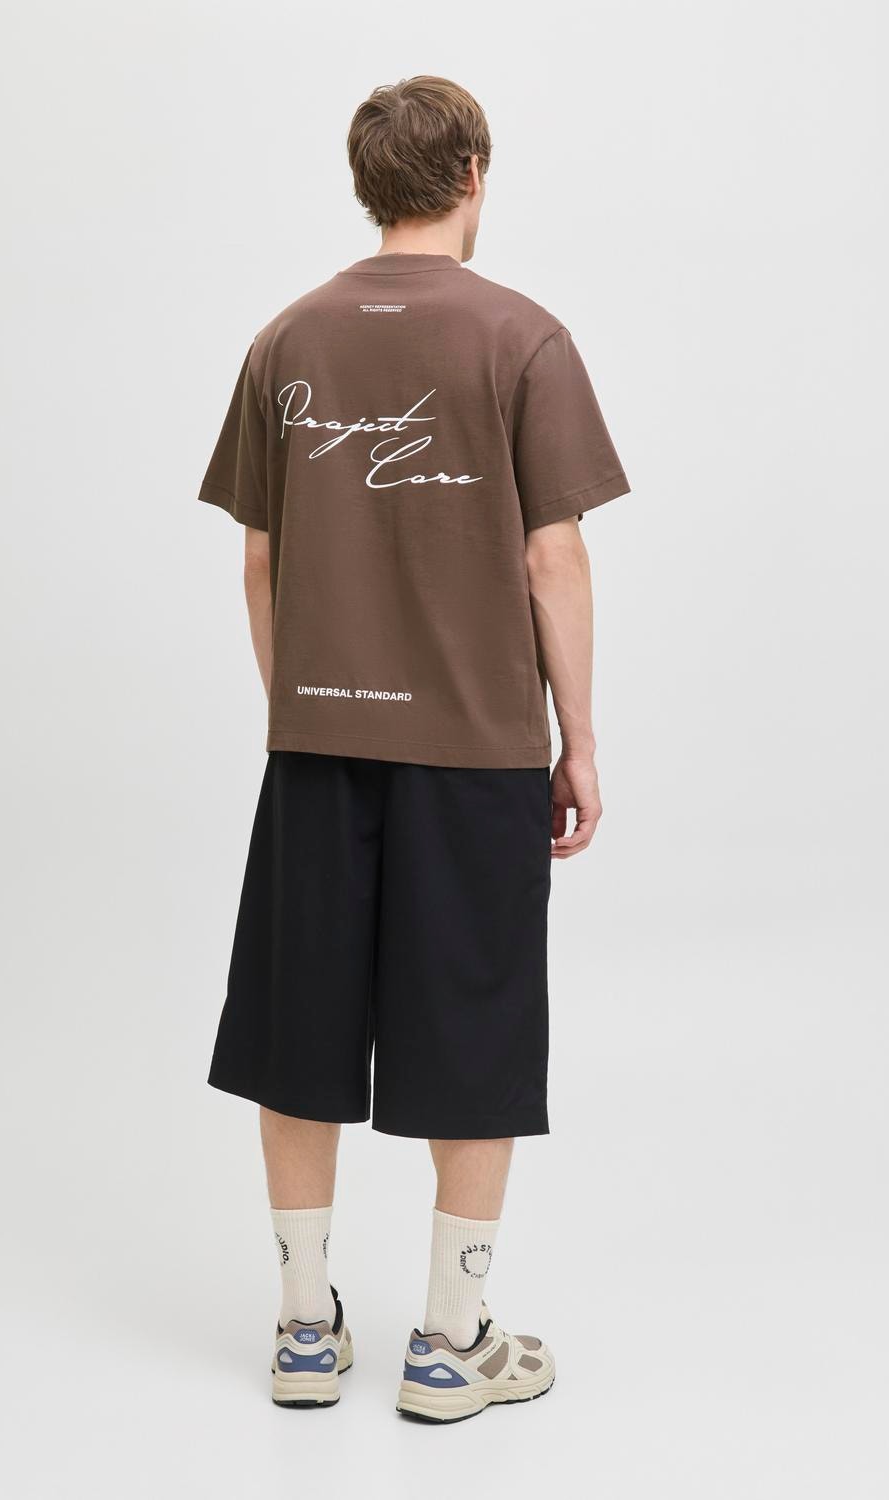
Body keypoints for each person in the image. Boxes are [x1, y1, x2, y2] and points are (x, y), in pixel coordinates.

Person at [198, 75, 630, 1423]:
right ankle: (449, 1343)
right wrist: (578, 737)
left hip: (316, 743)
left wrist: (303, 708)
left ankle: (301, 1327)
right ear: (474, 174)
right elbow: (551, 556)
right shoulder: (523, 338)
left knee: (297, 1026)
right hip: (477, 748)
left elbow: (259, 559)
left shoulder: (287, 338)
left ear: (364, 182)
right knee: (474, 1025)